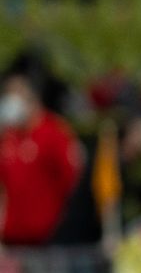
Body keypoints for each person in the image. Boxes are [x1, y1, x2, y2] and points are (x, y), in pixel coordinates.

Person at [0, 62, 81, 248]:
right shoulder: (8, 136)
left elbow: (71, 181)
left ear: (31, 98)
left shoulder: (54, 133)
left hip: (48, 238)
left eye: (15, 94)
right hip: (12, 237)